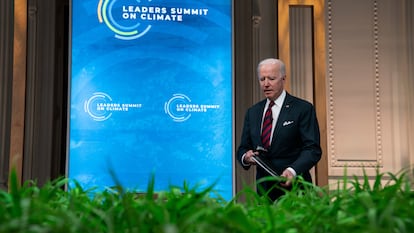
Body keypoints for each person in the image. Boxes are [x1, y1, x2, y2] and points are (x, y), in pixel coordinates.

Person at [237, 58, 322, 201]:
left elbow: (312, 149)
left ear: (283, 79)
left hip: (296, 190)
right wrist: (245, 157)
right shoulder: (253, 112)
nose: (266, 84)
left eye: (271, 78)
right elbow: (243, 147)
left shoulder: (302, 109)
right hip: (264, 192)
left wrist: (292, 171)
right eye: (262, 79)